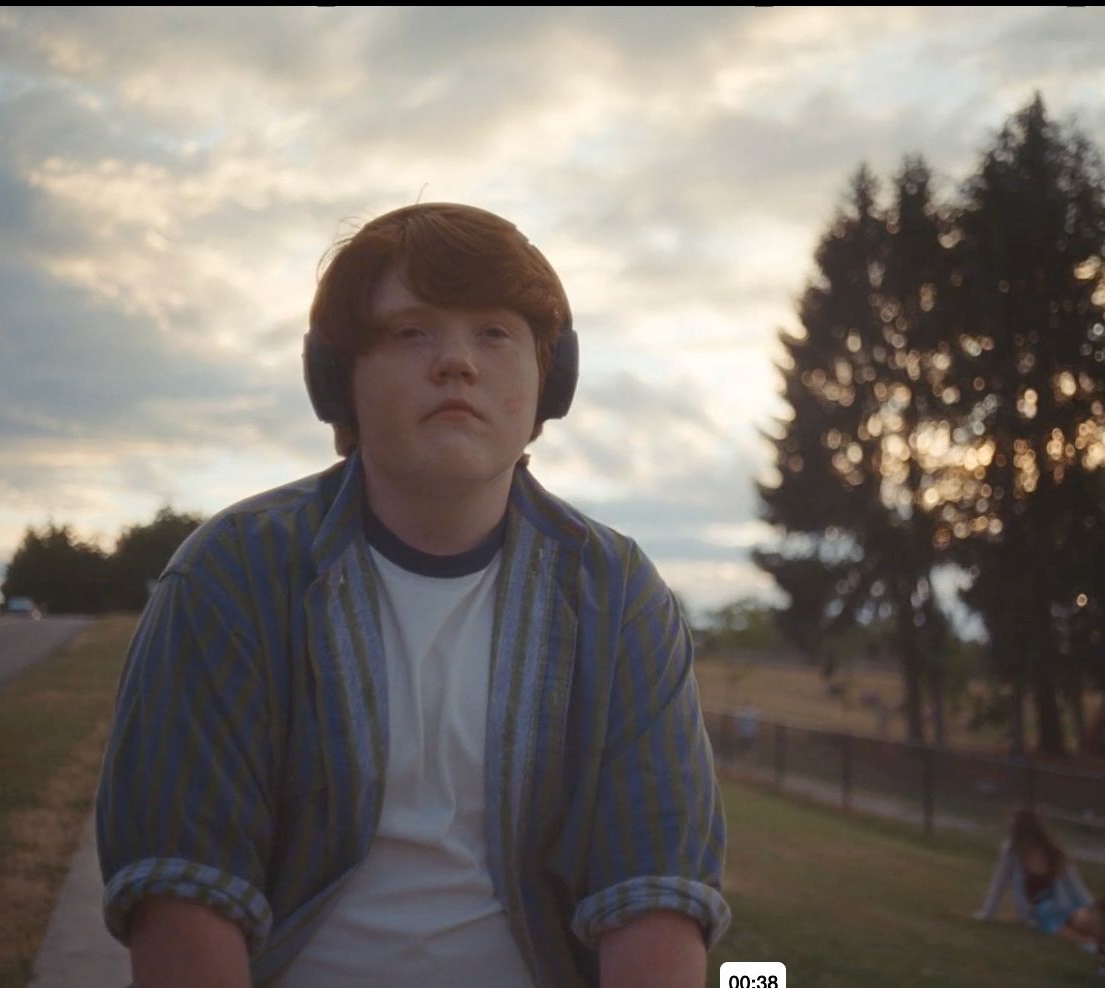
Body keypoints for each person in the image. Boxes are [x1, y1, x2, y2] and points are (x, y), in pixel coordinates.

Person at [95, 202, 730, 987]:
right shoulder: (230, 576)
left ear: (548, 381)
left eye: (494, 333)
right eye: (410, 331)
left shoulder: (621, 597)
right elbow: (181, 892)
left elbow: (654, 896)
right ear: (339, 383)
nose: (456, 362)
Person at [973, 807, 1093, 941]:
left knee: (1084, 922)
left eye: (1015, 830)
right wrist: (987, 913)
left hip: (1064, 905)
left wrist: (1090, 907)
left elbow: (1075, 886)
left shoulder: (1054, 853)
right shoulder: (1011, 851)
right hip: (1039, 913)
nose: (1012, 833)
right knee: (1066, 930)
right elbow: (999, 883)